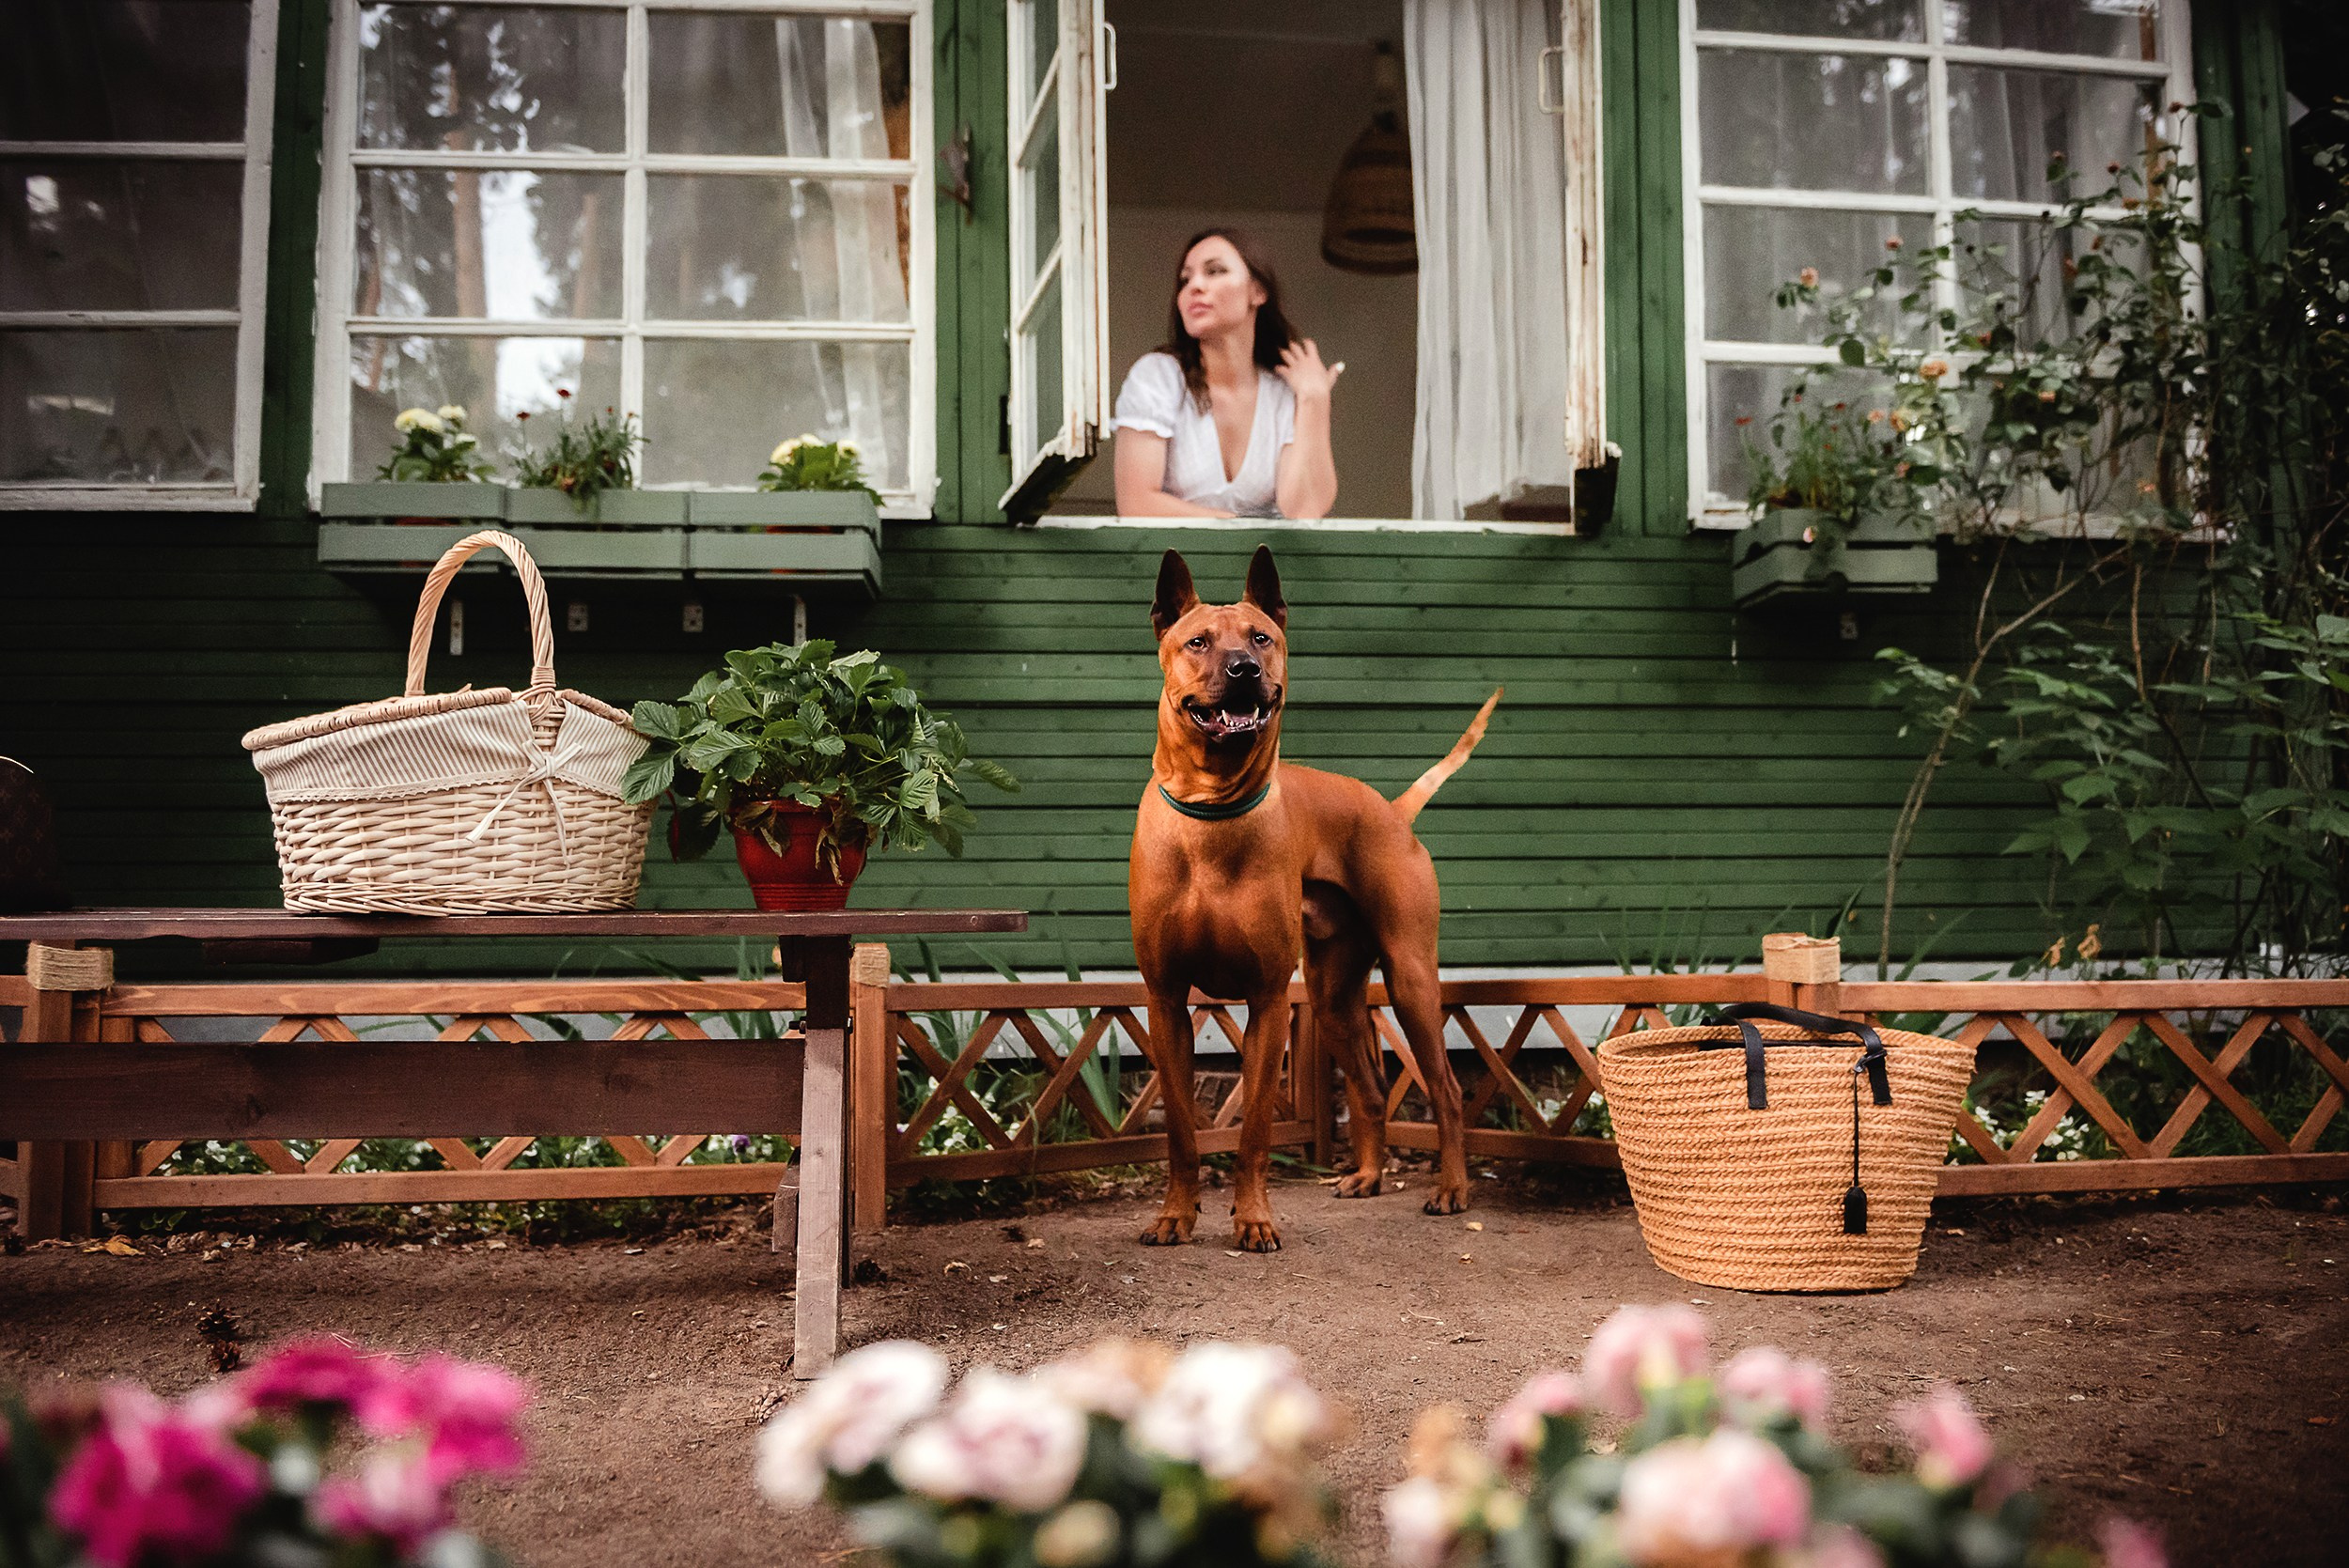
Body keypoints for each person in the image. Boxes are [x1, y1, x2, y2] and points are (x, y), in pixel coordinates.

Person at [1112, 229, 1342, 519]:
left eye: (1215, 271)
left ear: (1258, 292)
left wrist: (1314, 399)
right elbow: (1137, 505)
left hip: (1269, 566)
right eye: (1185, 279)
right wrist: (1240, 529)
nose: (1195, 286)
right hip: (1171, 563)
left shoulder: (1282, 392)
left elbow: (1304, 509)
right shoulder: (1158, 376)